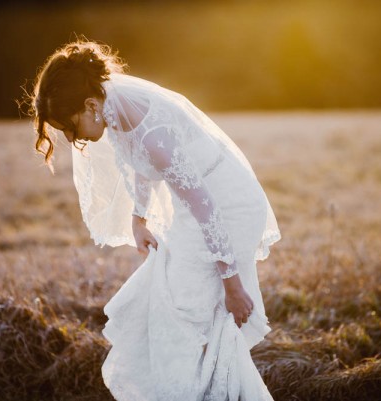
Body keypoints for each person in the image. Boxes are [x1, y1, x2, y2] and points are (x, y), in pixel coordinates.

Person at [30, 40, 280, 401]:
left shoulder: (152, 134)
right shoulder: (115, 109)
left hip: (228, 209)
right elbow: (140, 164)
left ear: (89, 106)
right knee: (174, 307)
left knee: (195, 314)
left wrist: (232, 282)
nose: (73, 139)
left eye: (70, 128)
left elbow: (205, 205)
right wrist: (139, 217)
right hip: (198, 211)